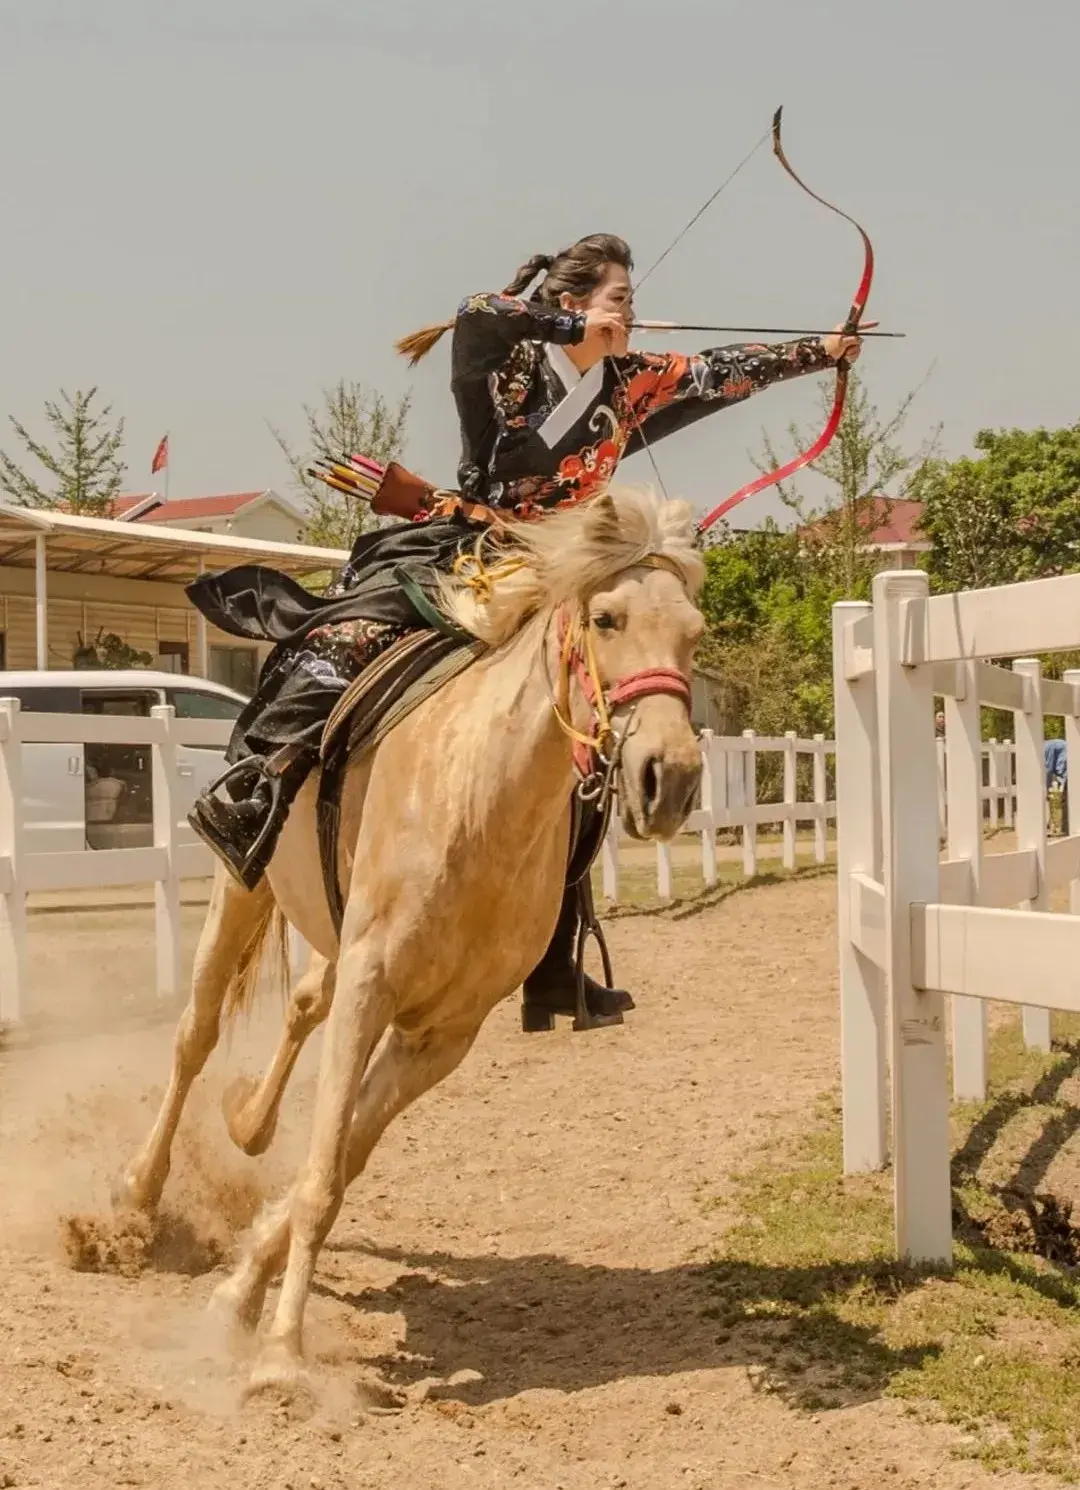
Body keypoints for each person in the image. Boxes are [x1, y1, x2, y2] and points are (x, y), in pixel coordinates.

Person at [188, 233, 864, 1025]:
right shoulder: (508, 359)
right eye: (618, 301)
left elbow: (725, 371)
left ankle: (552, 968)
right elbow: (476, 314)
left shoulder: (634, 382)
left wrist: (823, 350)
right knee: (339, 647)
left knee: (575, 760)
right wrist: (570, 333)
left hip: (562, 580)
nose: (630, 317)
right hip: (471, 551)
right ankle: (258, 792)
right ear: (572, 304)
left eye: (631, 303)